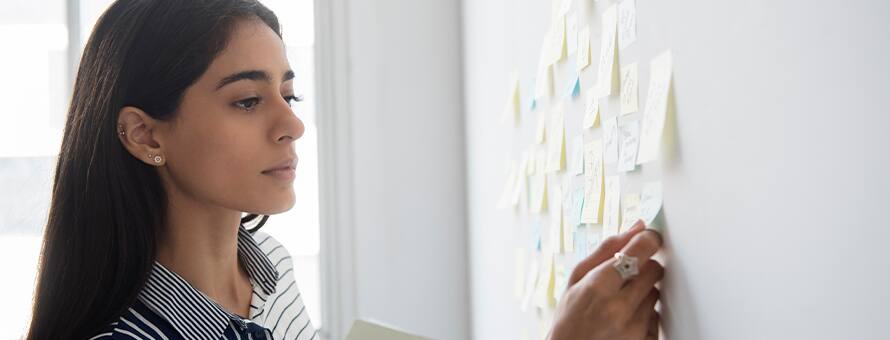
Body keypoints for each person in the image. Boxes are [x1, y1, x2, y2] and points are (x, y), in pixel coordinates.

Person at [25, 0, 664, 339]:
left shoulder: (269, 272)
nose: (291, 124)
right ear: (143, 134)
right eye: (248, 100)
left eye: (289, 93)